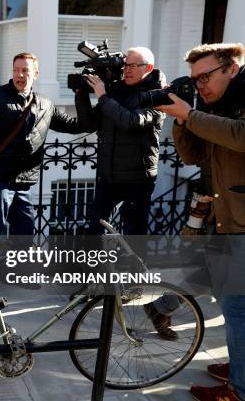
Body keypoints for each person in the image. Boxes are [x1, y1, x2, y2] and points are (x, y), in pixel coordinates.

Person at [156, 42, 245, 401]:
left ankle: (239, 391)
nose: (200, 85)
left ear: (232, 69)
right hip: (226, 219)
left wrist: (191, 116)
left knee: (237, 309)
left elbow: (241, 136)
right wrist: (181, 119)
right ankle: (239, 366)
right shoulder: (215, 107)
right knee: (234, 306)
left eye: (205, 76)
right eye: (195, 79)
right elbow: (193, 154)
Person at [0, 52, 86, 238]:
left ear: (35, 73)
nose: (19, 75)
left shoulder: (45, 104)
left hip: (24, 183)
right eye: (16, 70)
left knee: (25, 237)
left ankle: (14, 268)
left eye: (25, 70)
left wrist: (84, 96)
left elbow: (76, 126)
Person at [76, 47, 165, 236]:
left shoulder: (158, 94)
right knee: (95, 228)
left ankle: (133, 266)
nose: (127, 70)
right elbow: (89, 124)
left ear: (148, 67)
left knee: (134, 233)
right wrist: (81, 94)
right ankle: (93, 266)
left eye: (133, 66)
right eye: (126, 65)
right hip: (108, 176)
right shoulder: (116, 90)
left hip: (137, 178)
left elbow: (131, 122)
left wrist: (102, 95)